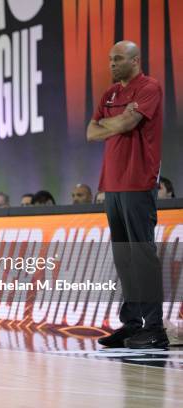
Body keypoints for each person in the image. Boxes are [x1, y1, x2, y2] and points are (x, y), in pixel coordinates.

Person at [87, 40, 168, 349]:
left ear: (135, 60)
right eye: (110, 58)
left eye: (117, 59)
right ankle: (132, 324)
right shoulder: (110, 94)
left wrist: (111, 122)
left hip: (138, 181)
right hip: (112, 184)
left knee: (142, 254)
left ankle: (155, 328)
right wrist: (113, 122)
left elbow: (129, 121)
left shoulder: (149, 87)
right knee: (124, 258)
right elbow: (91, 132)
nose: (111, 64)